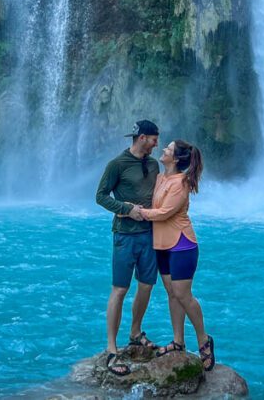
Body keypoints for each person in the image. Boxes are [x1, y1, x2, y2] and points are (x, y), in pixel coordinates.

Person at [126, 139, 215, 371]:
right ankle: (178, 341)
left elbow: (165, 213)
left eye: (168, 148)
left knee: (183, 295)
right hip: (162, 245)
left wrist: (137, 212)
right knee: (172, 294)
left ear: (175, 159)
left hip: (181, 244)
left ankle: (204, 340)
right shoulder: (160, 177)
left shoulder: (182, 182)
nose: (164, 149)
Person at [94, 119, 161, 376]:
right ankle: (112, 348)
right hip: (124, 235)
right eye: (154, 138)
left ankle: (135, 332)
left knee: (146, 285)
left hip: (150, 235)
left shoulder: (154, 165)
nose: (157, 143)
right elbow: (100, 196)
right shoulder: (117, 164)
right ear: (142, 137)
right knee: (120, 289)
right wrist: (127, 209)